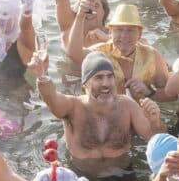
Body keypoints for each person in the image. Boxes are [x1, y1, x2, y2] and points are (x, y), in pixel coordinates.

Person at [32, 50, 165, 164]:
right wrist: (43, 77)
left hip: (123, 179)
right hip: (81, 176)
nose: (106, 84)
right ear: (85, 84)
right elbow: (51, 98)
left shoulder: (127, 105)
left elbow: (156, 140)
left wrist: (155, 121)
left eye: (110, 76)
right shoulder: (72, 107)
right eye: (98, 78)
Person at [66, 5, 170, 100]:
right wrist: (80, 16)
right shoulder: (97, 53)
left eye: (130, 30)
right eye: (119, 30)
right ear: (110, 32)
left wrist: (148, 91)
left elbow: (170, 95)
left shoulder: (152, 55)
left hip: (140, 114)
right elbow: (73, 53)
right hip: (103, 114)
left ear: (140, 34)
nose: (124, 36)